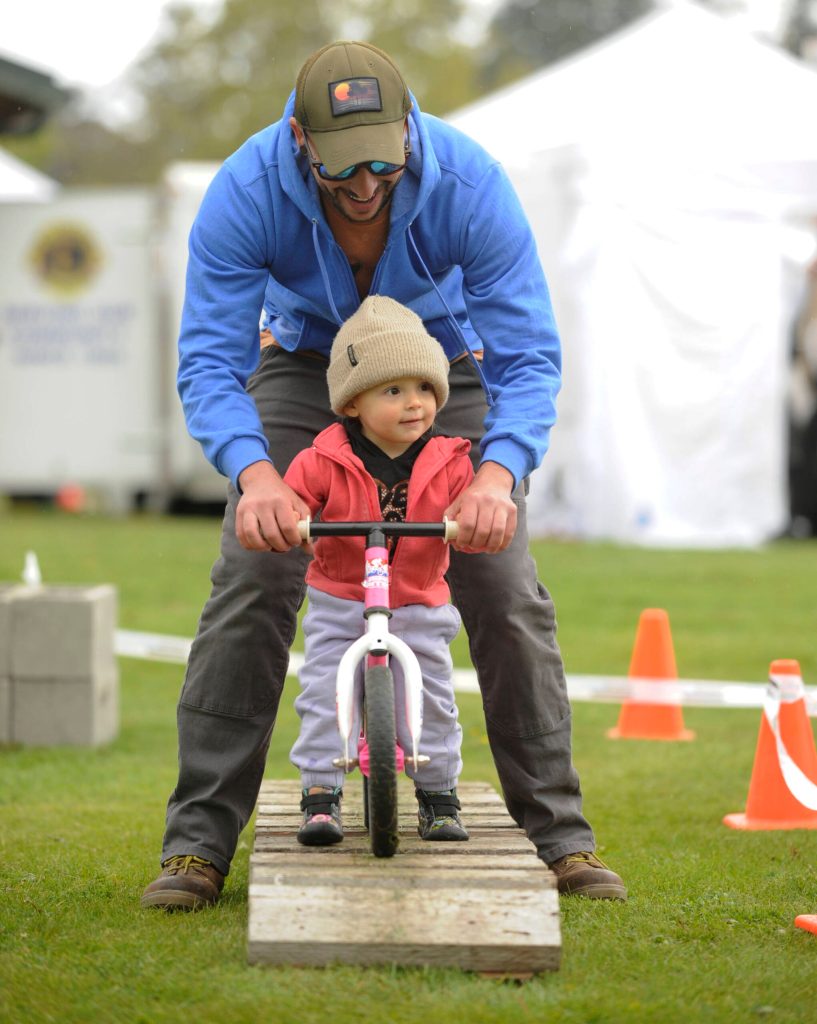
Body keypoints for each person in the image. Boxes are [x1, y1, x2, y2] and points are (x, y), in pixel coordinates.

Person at [141, 39, 626, 912]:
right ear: (297, 140)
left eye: (381, 164)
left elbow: (527, 357)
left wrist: (496, 475)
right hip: (302, 364)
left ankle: (561, 836)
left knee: (504, 577)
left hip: (438, 366)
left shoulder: (472, 184)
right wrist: (255, 476)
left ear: (409, 133)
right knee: (253, 569)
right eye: (339, 169)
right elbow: (209, 362)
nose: (364, 186)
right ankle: (197, 846)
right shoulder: (244, 191)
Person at [285, 295, 474, 846]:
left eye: (424, 388)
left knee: (431, 695)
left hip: (418, 599)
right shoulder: (322, 459)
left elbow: (472, 516)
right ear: (351, 404)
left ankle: (439, 796)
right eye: (393, 391)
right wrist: (289, 516)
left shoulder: (452, 461)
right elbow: (294, 501)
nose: (414, 403)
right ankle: (320, 795)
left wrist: (477, 522)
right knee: (324, 691)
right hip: (342, 599)